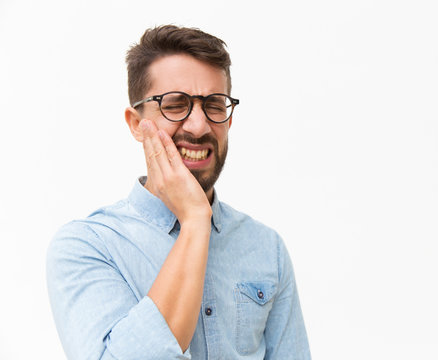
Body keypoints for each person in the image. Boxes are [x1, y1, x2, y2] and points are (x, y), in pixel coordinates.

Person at [46, 25, 311, 359]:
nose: (199, 126)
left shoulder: (266, 247)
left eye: (215, 104)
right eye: (175, 105)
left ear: (229, 121)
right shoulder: (88, 246)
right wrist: (195, 220)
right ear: (135, 124)